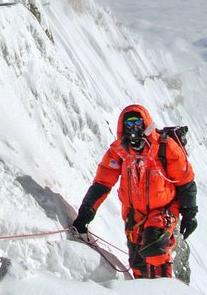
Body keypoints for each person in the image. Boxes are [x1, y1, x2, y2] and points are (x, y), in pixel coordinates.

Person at [71, 104, 198, 279]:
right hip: (134, 214)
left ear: (145, 123)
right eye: (128, 125)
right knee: (138, 263)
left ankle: (164, 290)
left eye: (137, 123)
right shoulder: (119, 151)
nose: (133, 129)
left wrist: (189, 213)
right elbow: (102, 182)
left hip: (164, 209)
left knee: (154, 248)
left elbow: (186, 181)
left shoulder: (164, 147)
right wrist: (87, 210)